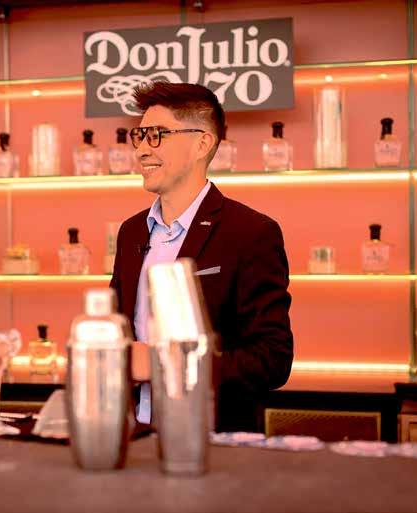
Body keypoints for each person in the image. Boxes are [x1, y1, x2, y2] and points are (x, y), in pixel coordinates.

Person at [110, 81, 293, 432]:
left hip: (213, 440)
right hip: (135, 435)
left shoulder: (251, 232)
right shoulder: (131, 232)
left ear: (202, 143)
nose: (143, 150)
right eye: (140, 136)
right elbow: (119, 332)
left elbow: (272, 359)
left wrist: (162, 364)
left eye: (157, 135)